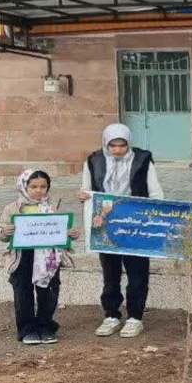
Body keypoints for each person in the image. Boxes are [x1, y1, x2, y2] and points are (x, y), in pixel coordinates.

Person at [78, 123, 164, 338]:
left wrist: (151, 218)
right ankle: (111, 315)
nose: (117, 150)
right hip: (107, 225)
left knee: (137, 271)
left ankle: (135, 317)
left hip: (136, 225)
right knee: (110, 272)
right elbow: (87, 190)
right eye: (113, 145)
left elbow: (155, 193)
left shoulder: (142, 160)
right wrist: (84, 196)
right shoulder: (94, 160)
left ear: (128, 144)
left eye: (122, 145)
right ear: (106, 144)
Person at [0, 170, 79, 344]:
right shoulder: (12, 208)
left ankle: (45, 327)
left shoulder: (53, 207)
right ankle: (27, 330)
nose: (38, 190)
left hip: (49, 256)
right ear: (24, 187)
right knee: (23, 292)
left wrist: (71, 234)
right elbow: (0, 233)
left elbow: (61, 229)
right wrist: (5, 231)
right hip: (22, 256)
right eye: (33, 186)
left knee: (48, 291)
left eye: (43, 186)